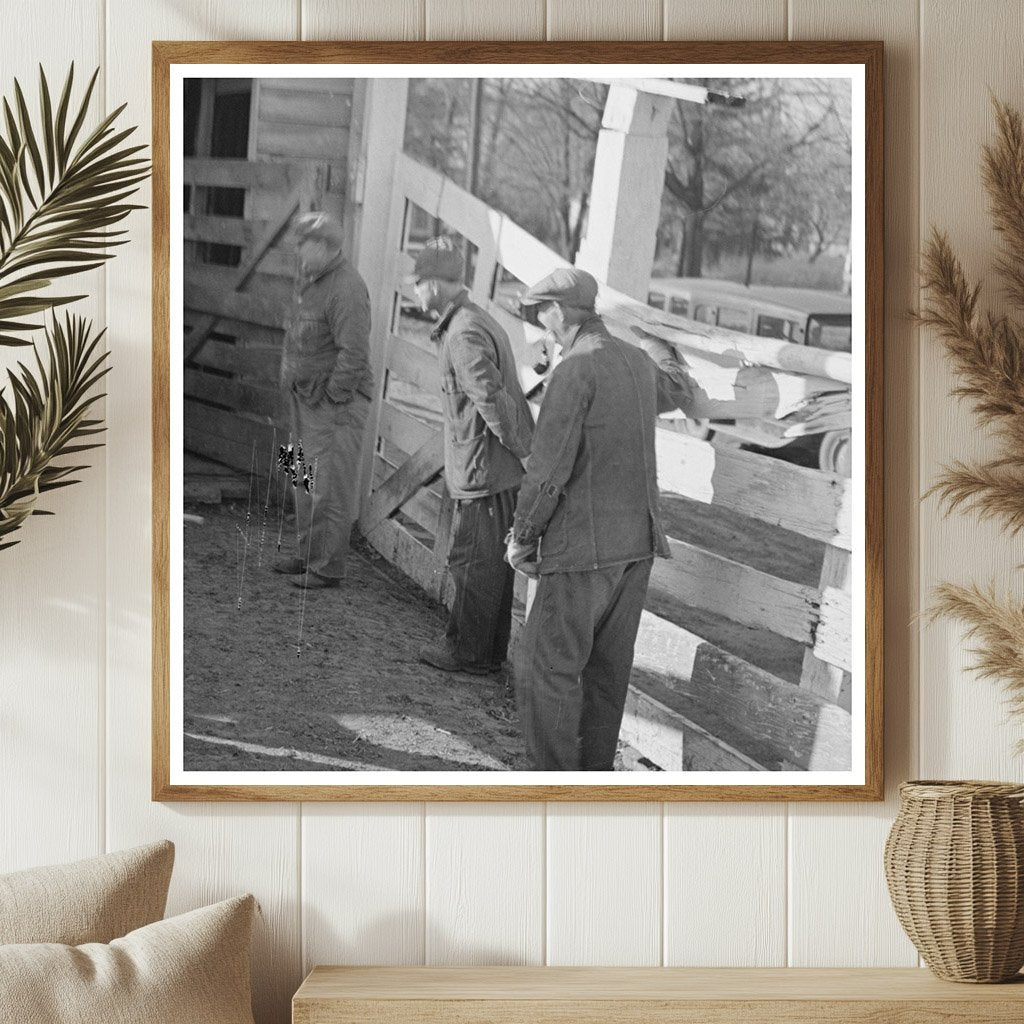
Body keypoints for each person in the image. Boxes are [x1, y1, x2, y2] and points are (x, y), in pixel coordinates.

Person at [506, 267, 698, 771]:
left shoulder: (575, 372)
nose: (540, 325)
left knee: (548, 669)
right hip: (637, 546)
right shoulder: (634, 363)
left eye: (541, 313)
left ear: (561, 313)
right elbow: (675, 385)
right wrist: (656, 339)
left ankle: (554, 788)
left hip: (581, 552)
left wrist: (522, 537)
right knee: (607, 676)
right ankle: (593, 783)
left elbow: (548, 472)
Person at [411, 238, 534, 675]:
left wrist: (527, 453)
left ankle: (467, 652)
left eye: (419, 282)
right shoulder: (473, 320)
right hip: (491, 468)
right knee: (489, 568)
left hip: (483, 471)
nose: (415, 291)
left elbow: (491, 400)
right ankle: (485, 654)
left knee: (472, 564)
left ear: (438, 285)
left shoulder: (463, 331)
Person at [274, 211, 373, 589]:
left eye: (304, 243)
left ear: (326, 246)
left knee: (328, 485)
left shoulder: (346, 287)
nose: (298, 250)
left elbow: (354, 353)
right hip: (305, 398)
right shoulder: (314, 282)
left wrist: (334, 398)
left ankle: (327, 567)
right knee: (300, 475)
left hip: (331, 404)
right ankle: (308, 555)